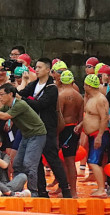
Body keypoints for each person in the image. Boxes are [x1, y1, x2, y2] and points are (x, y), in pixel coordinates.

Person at [0, 83, 47, 197]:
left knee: (29, 165)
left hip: (37, 134)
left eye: (1, 95)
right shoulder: (8, 106)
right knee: (17, 164)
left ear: (10, 94)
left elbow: (4, 117)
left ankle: (33, 193)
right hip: (26, 135)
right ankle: (16, 191)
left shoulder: (20, 104)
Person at [19, 57, 71, 198]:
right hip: (34, 129)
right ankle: (41, 191)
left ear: (48, 70)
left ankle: (66, 189)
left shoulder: (51, 88)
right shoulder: (34, 84)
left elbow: (41, 104)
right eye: (35, 67)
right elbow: (21, 93)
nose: (36, 69)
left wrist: (23, 100)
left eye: (40, 67)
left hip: (47, 129)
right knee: (35, 161)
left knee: (52, 159)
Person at [77, 74, 110, 197]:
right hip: (93, 134)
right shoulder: (91, 97)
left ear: (89, 86)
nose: (84, 86)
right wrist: (81, 124)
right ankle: (101, 187)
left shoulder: (100, 99)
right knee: (94, 162)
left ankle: (101, 189)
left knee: (93, 161)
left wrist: (100, 136)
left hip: (98, 134)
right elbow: (90, 116)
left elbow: (104, 118)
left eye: (85, 84)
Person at [57, 70, 84, 198]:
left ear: (61, 81)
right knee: (71, 161)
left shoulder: (61, 95)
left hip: (63, 129)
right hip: (74, 129)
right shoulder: (79, 97)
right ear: (73, 81)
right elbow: (81, 119)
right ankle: (72, 191)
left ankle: (65, 189)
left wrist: (57, 134)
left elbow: (59, 117)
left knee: (62, 161)